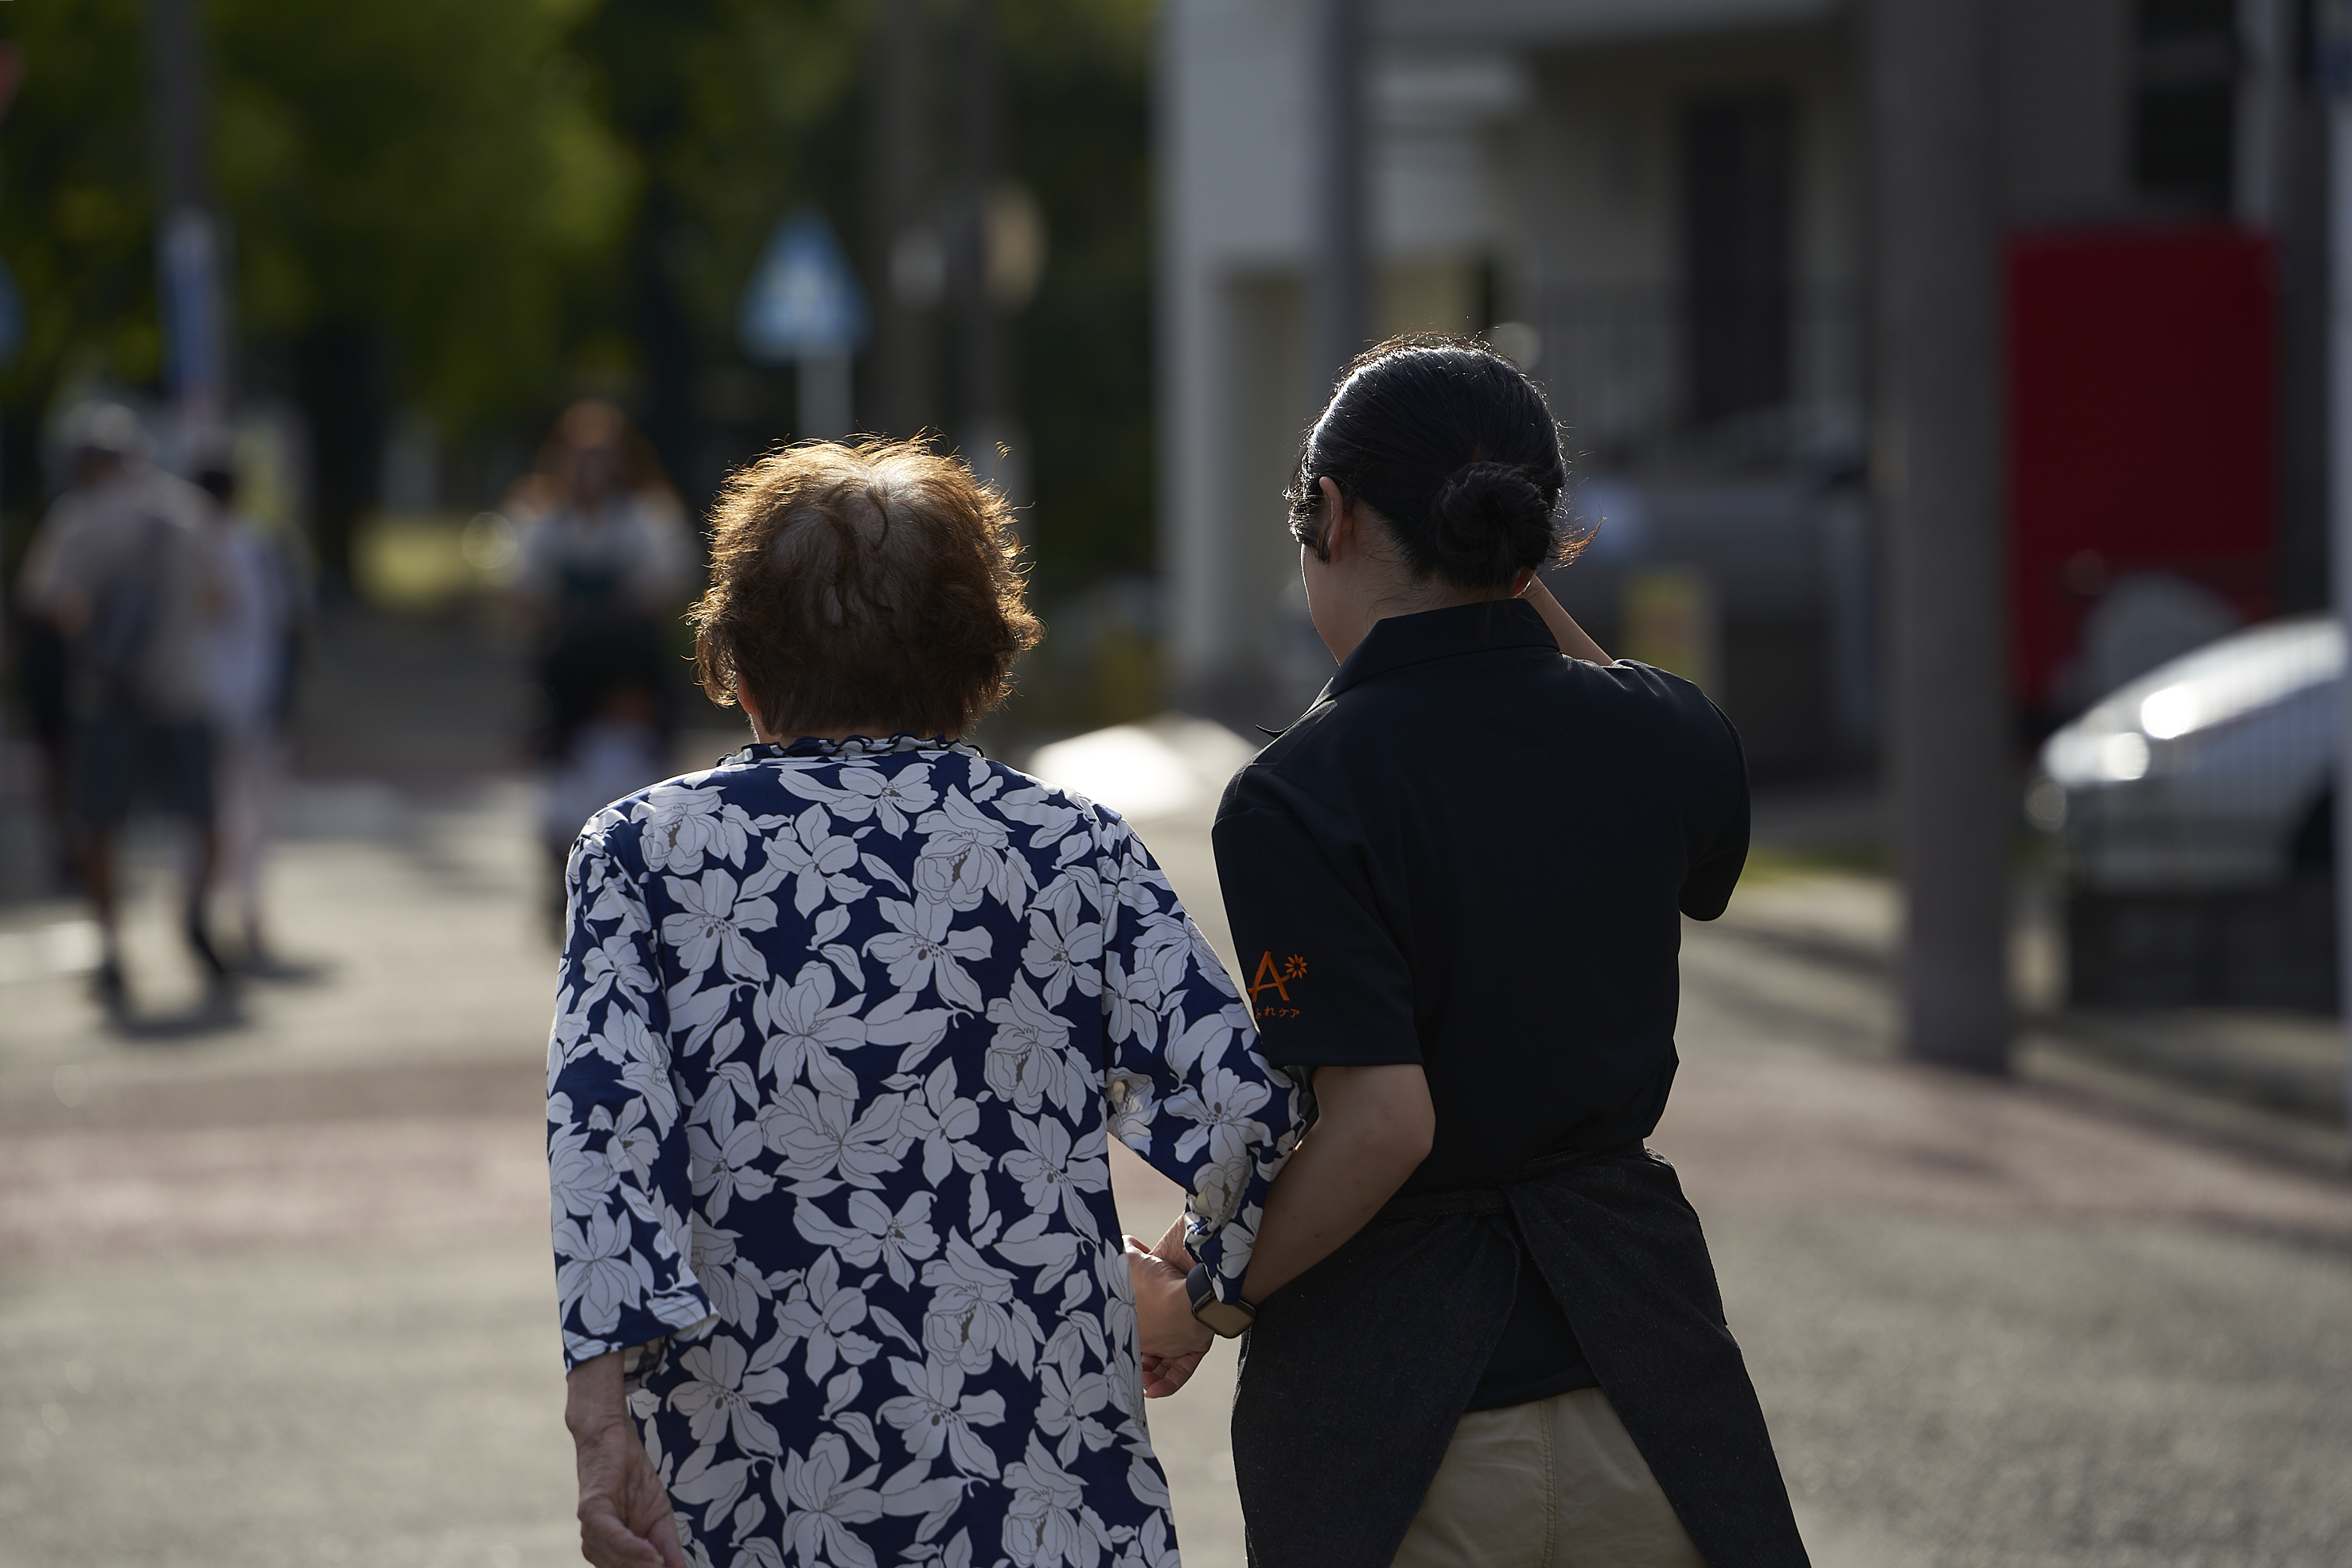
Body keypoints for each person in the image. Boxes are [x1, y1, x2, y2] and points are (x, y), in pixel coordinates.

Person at [549, 440, 1414, 1568]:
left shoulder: (641, 852)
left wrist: (601, 1422)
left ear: (738, 665)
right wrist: (1192, 1287)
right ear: (979, 663)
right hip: (1037, 1474)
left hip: (751, 1473)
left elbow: (604, 1141)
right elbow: (1248, 1111)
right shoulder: (1072, 848)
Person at [1167, 338, 1810, 1566]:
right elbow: (1647, 727)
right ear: (1530, 537)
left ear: (1335, 518)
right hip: (1649, 1390)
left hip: (1399, 1422)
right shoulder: (1660, 732)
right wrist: (1512, 576)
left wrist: (1214, 1291)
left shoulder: (1297, 794)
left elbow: (1384, 1125)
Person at [16, 403, 228, 1014]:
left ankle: (111, 945)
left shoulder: (77, 520)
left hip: (108, 695)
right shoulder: (188, 513)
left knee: (99, 823)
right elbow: (218, 600)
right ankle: (194, 913)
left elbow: (51, 604)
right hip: (181, 688)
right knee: (201, 814)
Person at [509, 400, 696, 934]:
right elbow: (519, 591)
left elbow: (666, 588)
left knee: (639, 781)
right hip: (567, 676)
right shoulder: (542, 519)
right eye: (582, 456)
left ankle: (643, 881)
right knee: (559, 784)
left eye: (603, 456)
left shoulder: (647, 518)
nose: (592, 469)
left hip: (628, 672)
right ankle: (561, 883)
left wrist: (603, 611)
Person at [192, 451, 310, 971]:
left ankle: (210, 910)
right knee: (249, 813)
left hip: (205, 699)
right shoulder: (257, 546)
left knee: (207, 813)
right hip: (242, 698)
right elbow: (290, 626)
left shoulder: (226, 545)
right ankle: (239, 911)